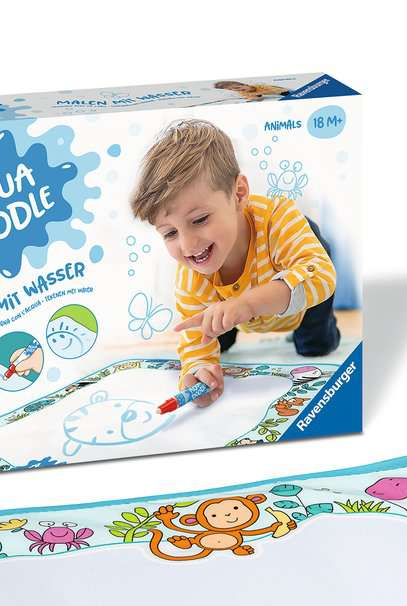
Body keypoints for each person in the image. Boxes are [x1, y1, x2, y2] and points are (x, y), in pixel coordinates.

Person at [130, 119, 339, 407]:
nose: (188, 245)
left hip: (301, 296)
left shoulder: (279, 220)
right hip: (237, 312)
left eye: (200, 219)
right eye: (170, 233)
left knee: (316, 346)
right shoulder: (191, 273)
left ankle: (313, 329)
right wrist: (198, 370)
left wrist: (248, 304)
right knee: (213, 337)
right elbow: (194, 344)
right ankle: (230, 323)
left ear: (239, 194)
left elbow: (323, 276)